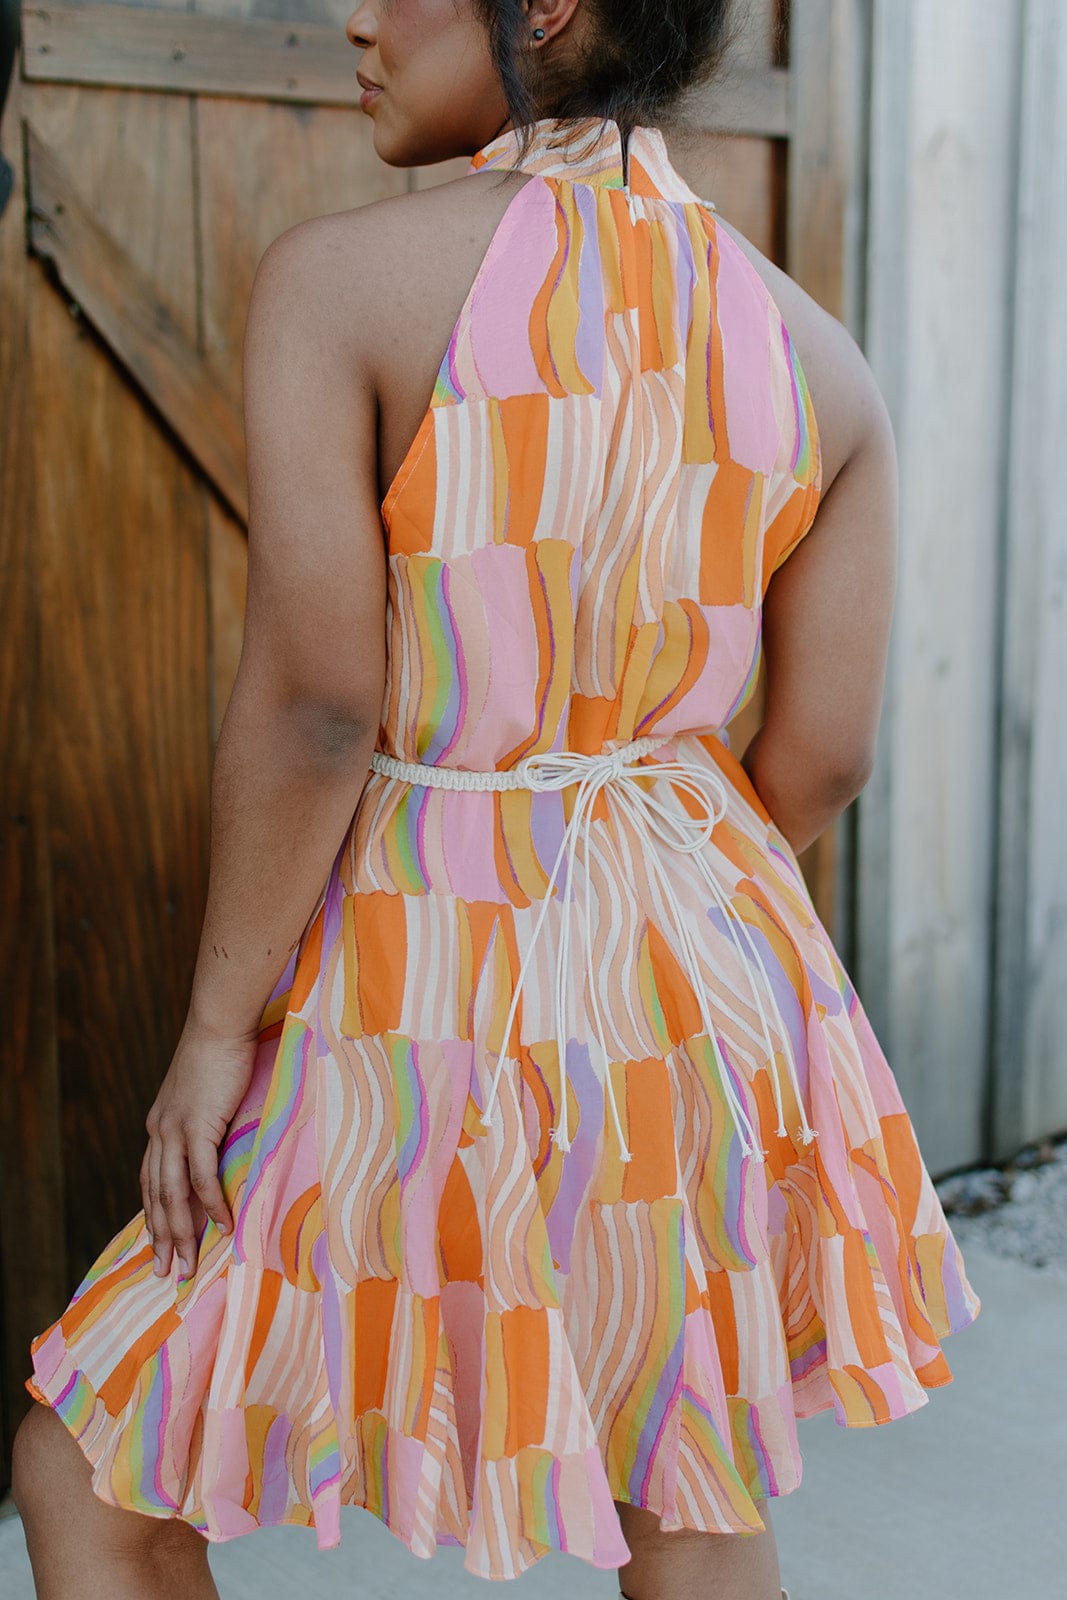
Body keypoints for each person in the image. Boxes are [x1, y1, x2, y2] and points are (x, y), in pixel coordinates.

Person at [12, 4, 982, 1599]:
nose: (353, 17)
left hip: (420, 969)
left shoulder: (346, 282)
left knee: (92, 1462)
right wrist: (632, 890)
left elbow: (322, 704)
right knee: (689, 1481)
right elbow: (825, 758)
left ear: (547, 8)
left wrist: (211, 1031)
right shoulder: (816, 354)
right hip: (706, 983)